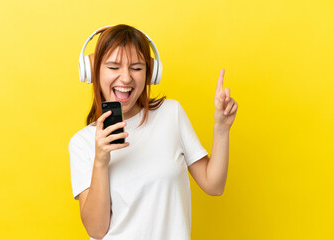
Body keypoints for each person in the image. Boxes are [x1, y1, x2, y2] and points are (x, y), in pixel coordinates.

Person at [69, 24, 238, 240]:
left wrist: (221, 128)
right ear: (93, 72)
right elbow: (96, 230)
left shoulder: (171, 114)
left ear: (151, 73)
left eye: (136, 68)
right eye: (113, 67)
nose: (126, 78)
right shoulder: (81, 143)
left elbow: (213, 185)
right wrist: (100, 161)